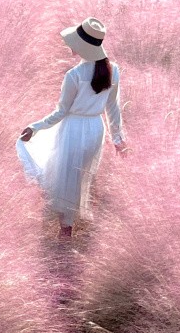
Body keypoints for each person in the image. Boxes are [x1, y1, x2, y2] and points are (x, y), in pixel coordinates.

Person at [16, 17, 128, 241]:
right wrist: (118, 139)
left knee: (65, 175)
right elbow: (113, 108)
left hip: (73, 129)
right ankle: (70, 222)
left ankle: (65, 227)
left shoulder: (74, 76)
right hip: (96, 129)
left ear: (80, 47)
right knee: (80, 176)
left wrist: (35, 127)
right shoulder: (112, 70)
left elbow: (61, 112)